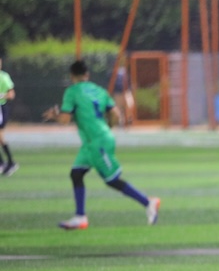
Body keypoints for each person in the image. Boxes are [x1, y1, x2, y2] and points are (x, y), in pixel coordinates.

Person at [41, 60, 160, 230]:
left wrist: (55, 116)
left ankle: (148, 202)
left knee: (112, 180)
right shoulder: (99, 90)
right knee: (76, 174)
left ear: (72, 76)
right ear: (87, 75)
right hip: (95, 141)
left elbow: (65, 119)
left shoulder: (72, 91)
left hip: (97, 142)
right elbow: (116, 114)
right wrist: (107, 128)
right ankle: (80, 217)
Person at [0, 57, 19, 176]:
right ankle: (3, 163)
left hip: (1, 108)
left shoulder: (3, 77)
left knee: (0, 136)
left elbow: (11, 94)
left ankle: (9, 162)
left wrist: (2, 96)